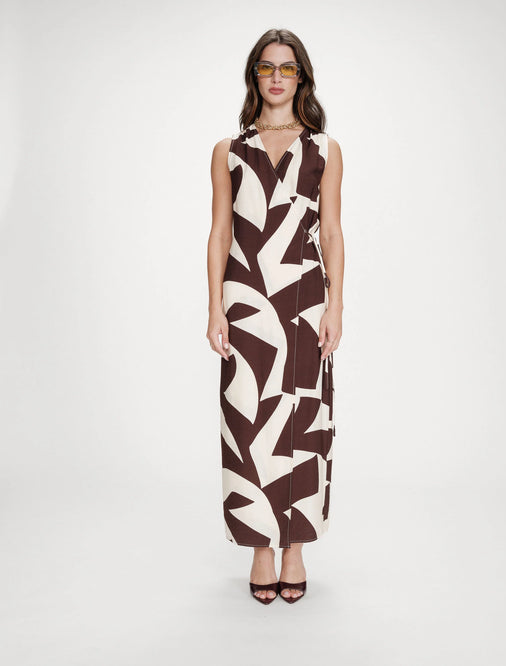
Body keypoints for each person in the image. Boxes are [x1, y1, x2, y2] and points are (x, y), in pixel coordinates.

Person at [206, 28, 344, 604]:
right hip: (246, 296)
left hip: (306, 298)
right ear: (254, 76)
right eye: (267, 67)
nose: (278, 77)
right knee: (248, 419)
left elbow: (331, 231)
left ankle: (295, 549)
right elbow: (220, 232)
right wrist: (214, 306)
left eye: (288, 68)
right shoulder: (228, 151)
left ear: (302, 77)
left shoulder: (325, 150)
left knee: (305, 419)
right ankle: (261, 548)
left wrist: (336, 304)